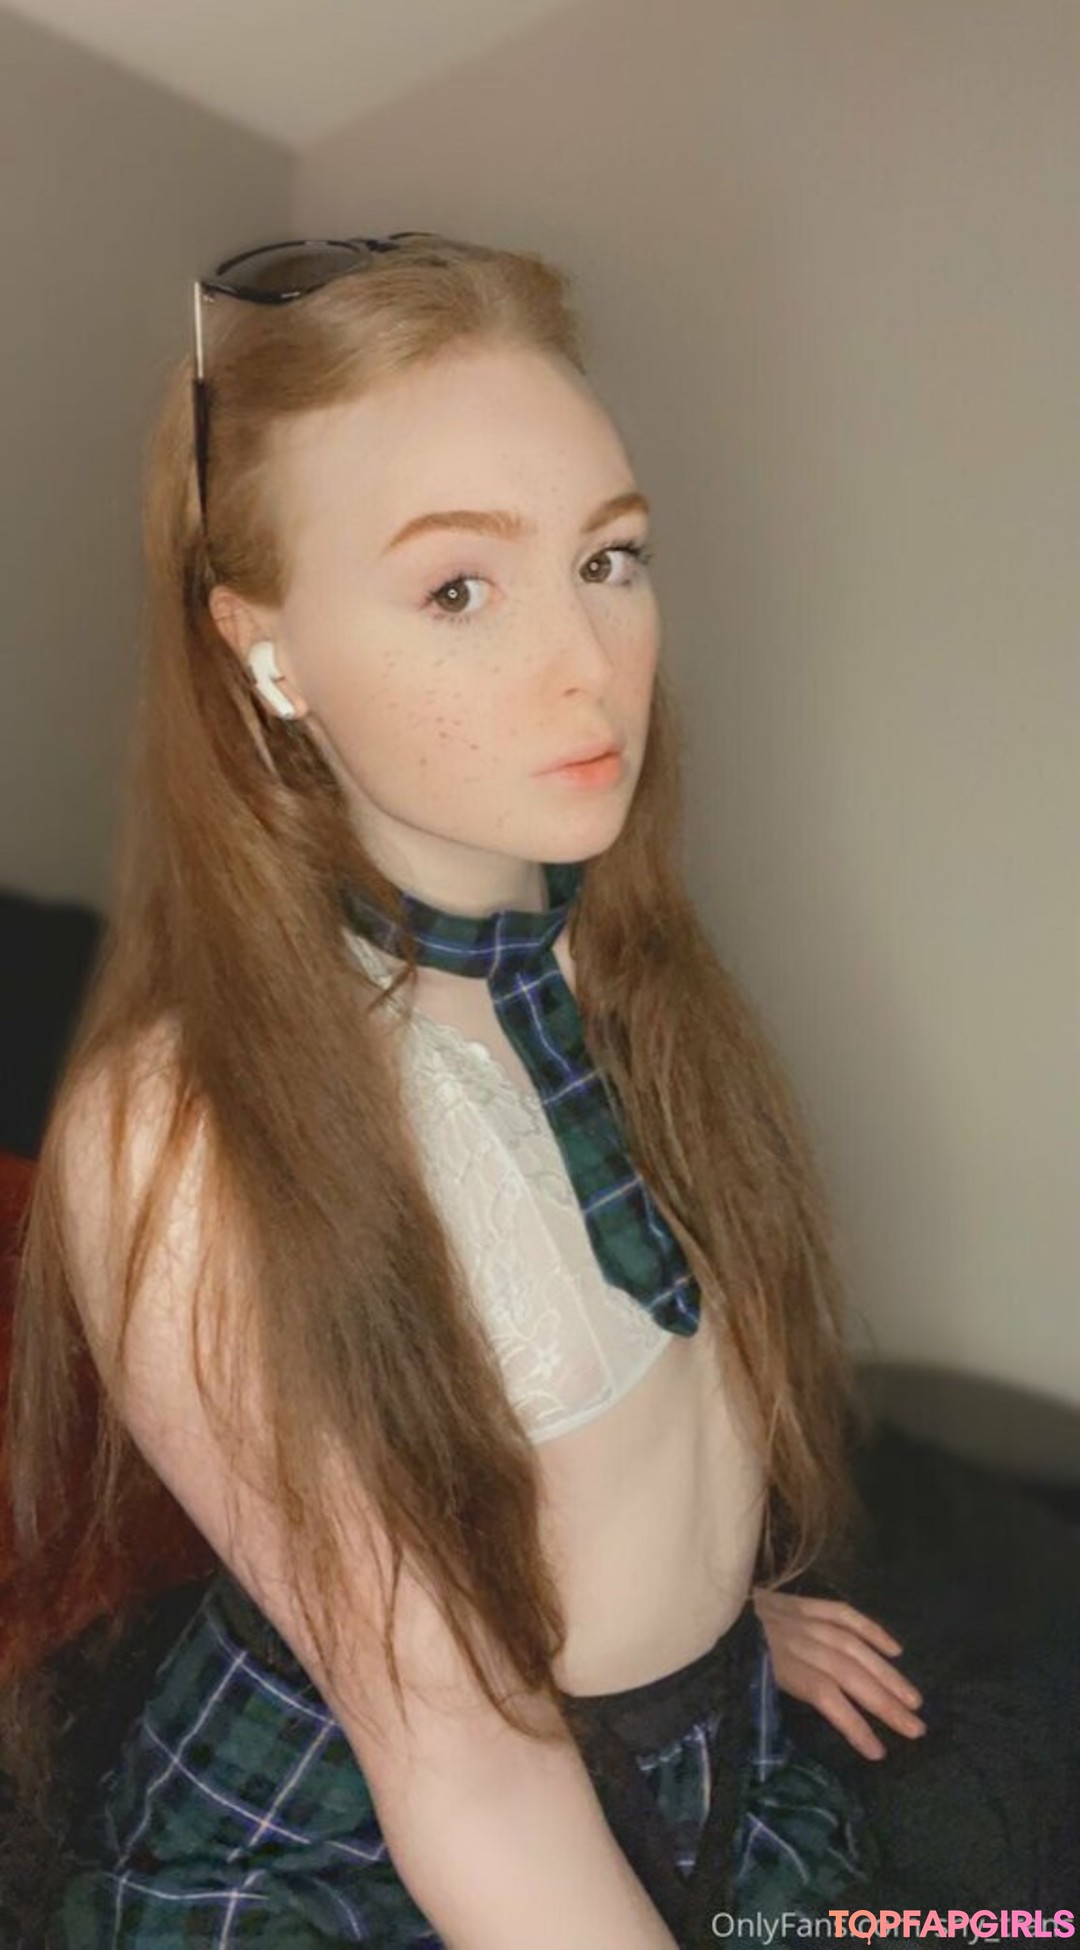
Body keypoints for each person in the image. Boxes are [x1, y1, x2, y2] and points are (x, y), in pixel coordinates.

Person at [5, 232, 929, 1947]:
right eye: (458, 589)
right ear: (266, 651)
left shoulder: (619, 960)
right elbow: (470, 1773)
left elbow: (647, 1421)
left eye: (609, 556)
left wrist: (710, 1627)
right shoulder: (185, 1132)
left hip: (704, 1741)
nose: (590, 661)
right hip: (381, 1844)